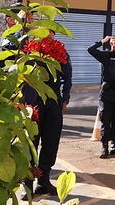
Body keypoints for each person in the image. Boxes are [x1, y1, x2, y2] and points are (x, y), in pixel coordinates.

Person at [21, 30, 73, 197]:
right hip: (33, 102)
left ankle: (43, 181)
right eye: (45, 32)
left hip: (53, 101)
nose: (48, 36)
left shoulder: (60, 51)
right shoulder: (30, 50)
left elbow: (67, 76)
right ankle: (28, 183)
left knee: (51, 142)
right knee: (31, 142)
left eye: (51, 33)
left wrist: (64, 98)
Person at [87, 35, 115, 159]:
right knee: (106, 122)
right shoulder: (106, 56)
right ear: (111, 43)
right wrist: (103, 41)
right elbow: (90, 50)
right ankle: (104, 147)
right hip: (108, 94)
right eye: (114, 41)